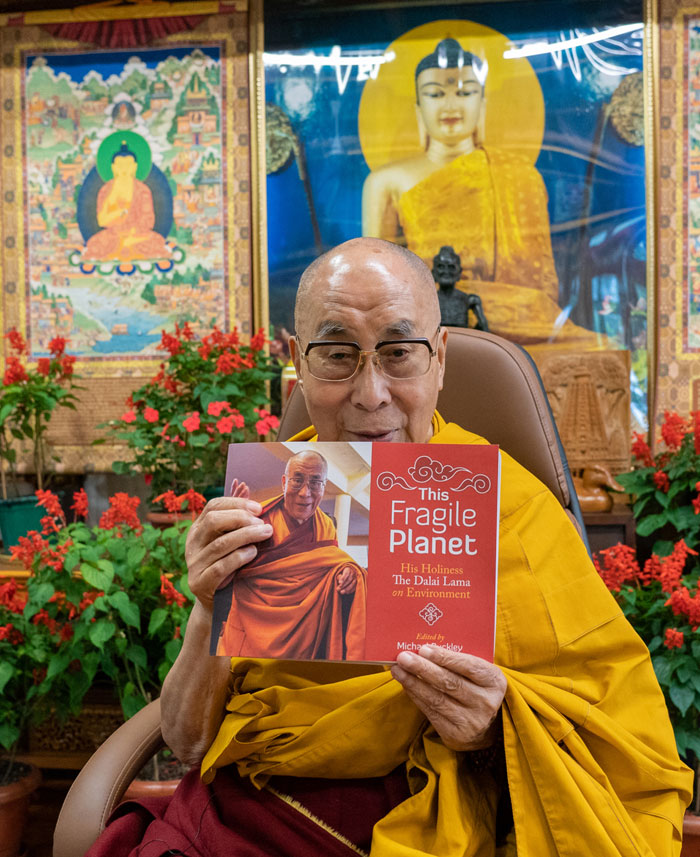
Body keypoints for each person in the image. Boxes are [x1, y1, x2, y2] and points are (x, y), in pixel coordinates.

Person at [89, 237, 690, 857]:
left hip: (411, 824)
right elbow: (188, 746)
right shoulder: (273, 502)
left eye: (399, 353)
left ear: (441, 359)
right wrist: (208, 609)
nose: (371, 393)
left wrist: (496, 727)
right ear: (298, 361)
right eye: (336, 355)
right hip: (234, 820)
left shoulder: (515, 509)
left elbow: (621, 739)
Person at [362, 38, 601, 349]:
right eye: (435, 93)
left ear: (482, 102)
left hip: (521, 318)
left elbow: (540, 287)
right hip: (420, 321)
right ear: (418, 107)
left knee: (591, 350)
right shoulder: (385, 181)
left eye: (464, 92)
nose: (450, 106)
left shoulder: (519, 176)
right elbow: (379, 286)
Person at [215, 450, 365, 659]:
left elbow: (330, 564)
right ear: (284, 482)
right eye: (297, 480)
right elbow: (227, 571)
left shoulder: (326, 528)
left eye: (315, 483)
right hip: (250, 632)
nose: (305, 493)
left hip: (305, 641)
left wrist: (347, 572)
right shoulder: (259, 520)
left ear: (324, 487)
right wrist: (233, 531)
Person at [85, 143, 171, 261]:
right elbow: (102, 221)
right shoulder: (106, 190)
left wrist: (133, 232)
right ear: (113, 167)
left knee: (156, 241)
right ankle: (126, 246)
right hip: (113, 236)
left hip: (136, 235)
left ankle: (127, 245)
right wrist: (117, 211)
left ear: (134, 167)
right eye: (120, 165)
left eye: (128, 165)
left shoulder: (142, 190)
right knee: (94, 244)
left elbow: (148, 220)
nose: (124, 169)